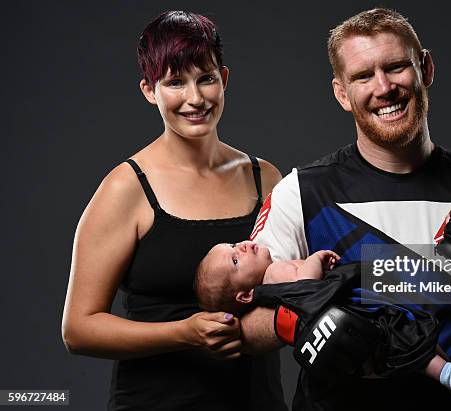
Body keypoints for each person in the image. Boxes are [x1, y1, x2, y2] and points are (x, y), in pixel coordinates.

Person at [240, 8, 451, 410]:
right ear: (342, 93)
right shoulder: (300, 192)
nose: (384, 87)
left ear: (425, 68)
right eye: (363, 76)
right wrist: (306, 325)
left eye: (396, 67)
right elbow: (245, 327)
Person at [61, 11, 286, 410]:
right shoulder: (127, 188)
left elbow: (299, 283)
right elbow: (78, 329)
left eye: (206, 79)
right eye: (175, 83)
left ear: (225, 79)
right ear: (150, 90)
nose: (195, 99)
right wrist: (183, 332)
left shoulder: (265, 178)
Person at [194, 240, 451, 397]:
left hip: (355, 317)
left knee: (411, 340)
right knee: (404, 341)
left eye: (233, 245)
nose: (243, 246)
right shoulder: (274, 275)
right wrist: (316, 260)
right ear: (245, 296)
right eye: (235, 259)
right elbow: (308, 290)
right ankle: (449, 374)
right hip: (355, 320)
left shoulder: (269, 277)